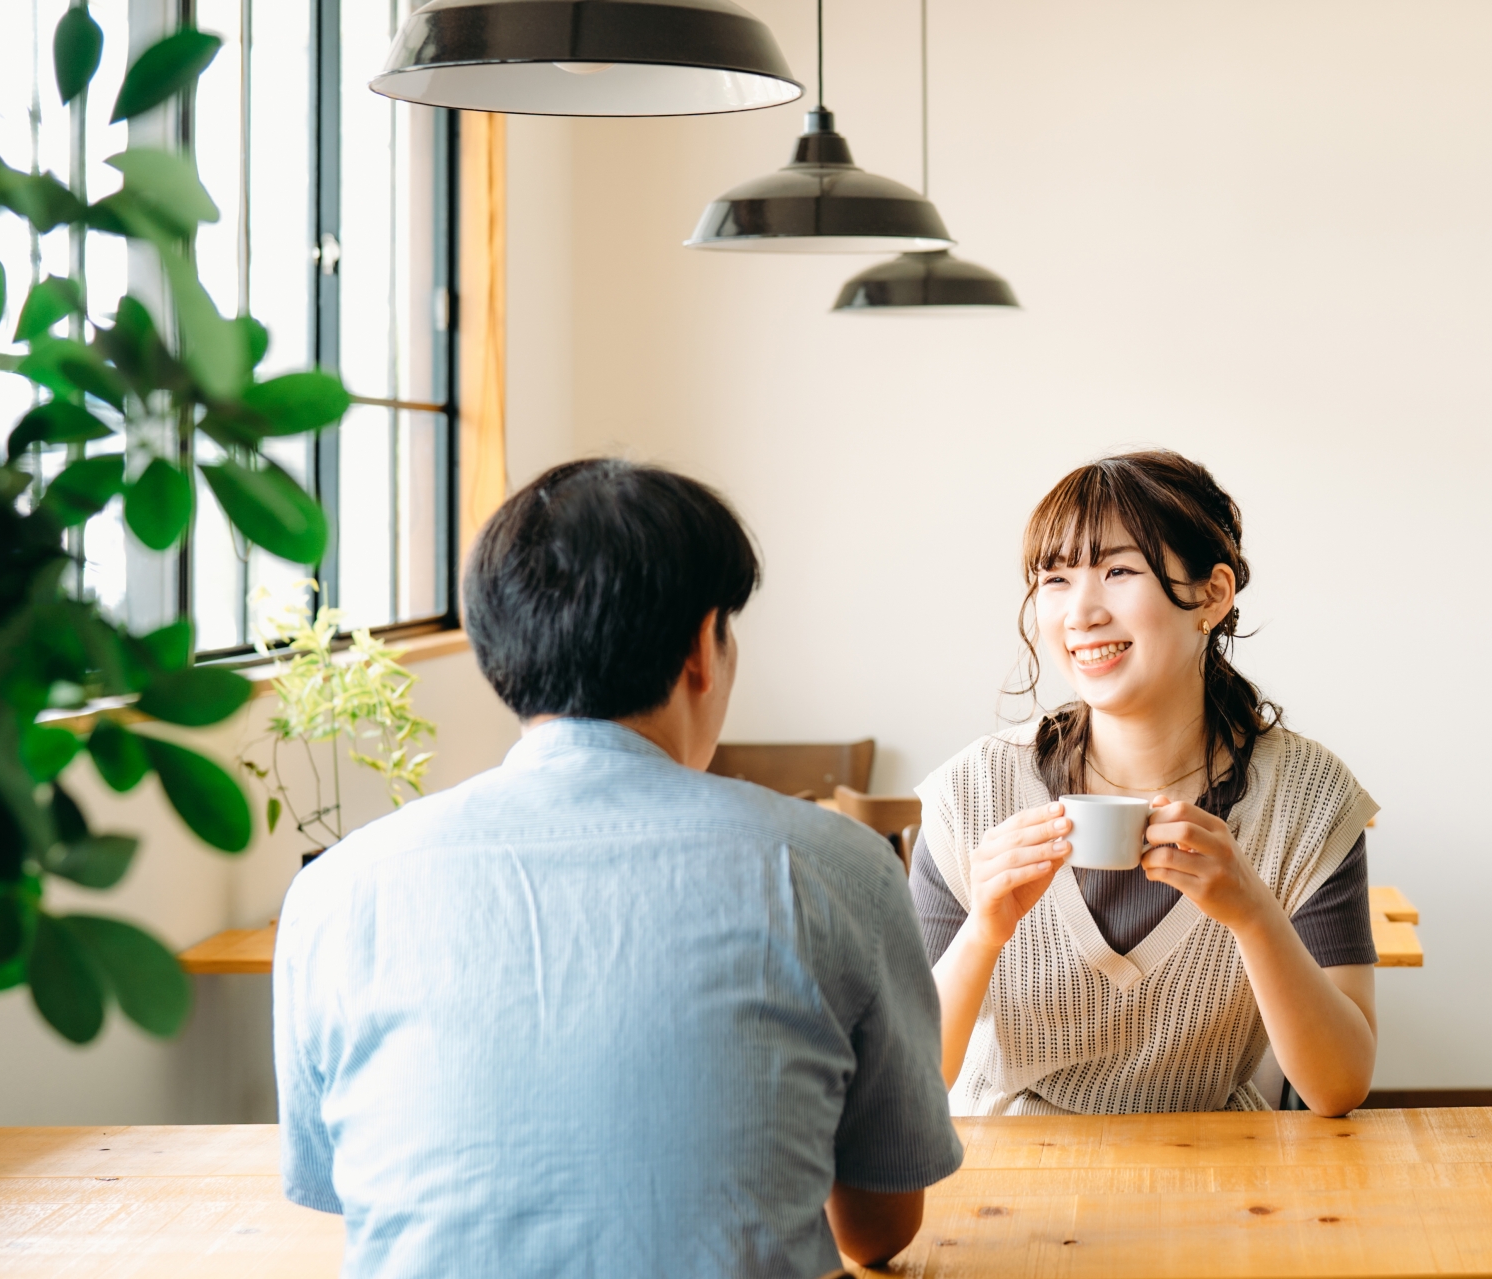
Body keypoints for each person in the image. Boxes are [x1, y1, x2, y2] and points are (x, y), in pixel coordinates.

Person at [274, 458, 961, 1278]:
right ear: (705, 646)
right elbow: (878, 1226)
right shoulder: (836, 865)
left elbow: (343, 1194)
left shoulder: (334, 890)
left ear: (501, 654)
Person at [913, 450, 1380, 1118]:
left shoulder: (1308, 798)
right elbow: (903, 1082)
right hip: (1009, 1186)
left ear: (1212, 596)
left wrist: (1253, 911)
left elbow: (1340, 1085)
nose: (1082, 612)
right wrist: (985, 930)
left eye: (1118, 571)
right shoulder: (972, 794)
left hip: (1225, 1184)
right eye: (1056, 578)